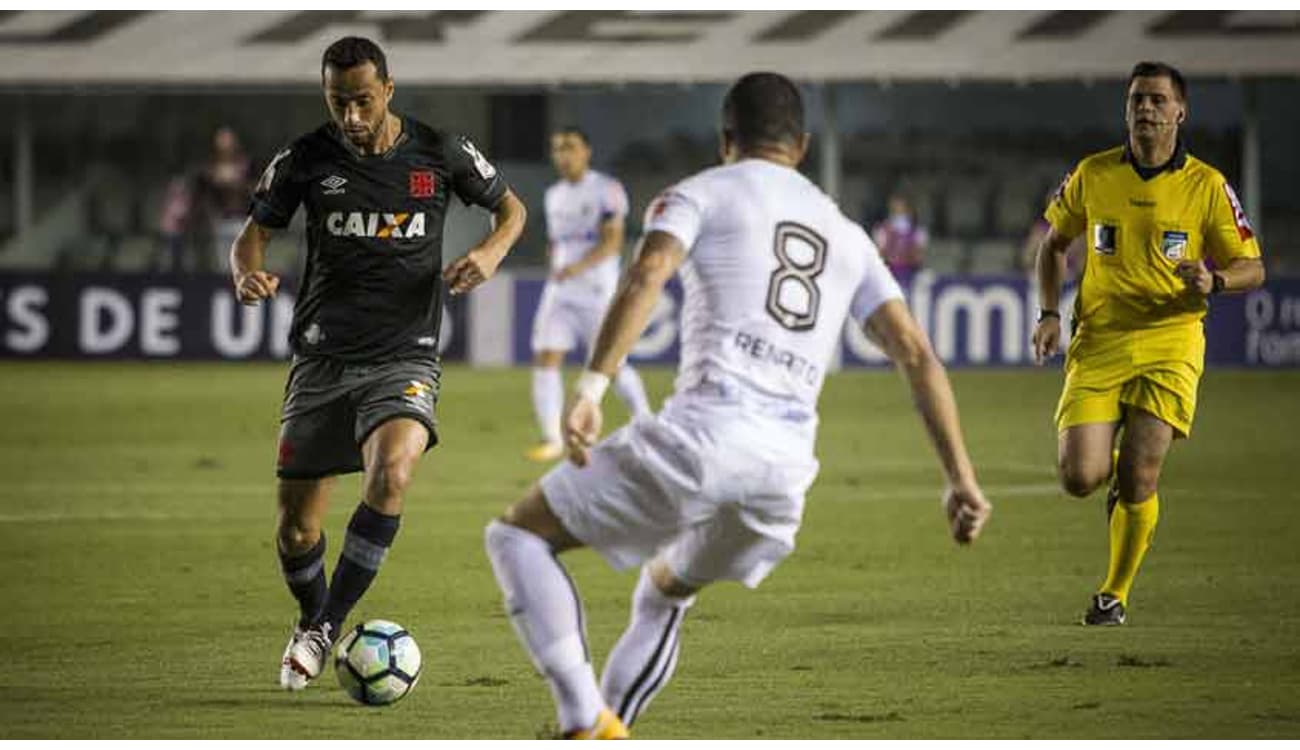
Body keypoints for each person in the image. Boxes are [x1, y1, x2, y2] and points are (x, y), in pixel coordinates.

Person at [484, 72, 991, 739]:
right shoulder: (847, 233)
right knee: (664, 591)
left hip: (703, 438)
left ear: (727, 138)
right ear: (802, 146)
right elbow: (917, 353)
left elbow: (647, 273)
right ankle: (606, 730)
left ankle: (579, 716)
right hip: (783, 477)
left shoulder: (700, 192)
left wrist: (591, 390)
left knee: (517, 536)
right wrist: (961, 479)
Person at [228, 36, 526, 690]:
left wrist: (492, 253)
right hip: (323, 359)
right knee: (295, 530)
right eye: (339, 103)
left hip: (404, 354)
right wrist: (247, 273)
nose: (353, 117)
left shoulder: (440, 152)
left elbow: (511, 208)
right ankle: (313, 615)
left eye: (363, 101)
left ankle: (325, 624)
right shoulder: (306, 159)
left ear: (388, 90)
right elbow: (253, 233)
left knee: (391, 474)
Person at [1031, 61, 1265, 626]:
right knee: (1080, 478)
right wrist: (1047, 313)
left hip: (1172, 340)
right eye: (1137, 99)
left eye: (1158, 100)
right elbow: (1053, 245)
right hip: (1101, 339)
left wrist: (1216, 281)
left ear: (1180, 112)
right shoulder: (1092, 174)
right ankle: (1110, 466)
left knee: (1141, 474)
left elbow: (1252, 267)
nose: (1145, 109)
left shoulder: (1207, 187)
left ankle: (1114, 594)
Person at [526, 126, 651, 462]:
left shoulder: (606, 190)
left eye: (569, 147)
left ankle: (646, 423)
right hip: (560, 289)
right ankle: (552, 439)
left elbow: (612, 241)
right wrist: (558, 264)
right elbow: (558, 241)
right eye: (557, 149)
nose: (562, 155)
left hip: (596, 290)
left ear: (586, 151)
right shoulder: (554, 194)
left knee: (612, 361)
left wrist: (577, 268)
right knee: (545, 356)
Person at [196, 126, 255, 273]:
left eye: (227, 140)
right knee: (224, 265)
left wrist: (236, 182)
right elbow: (205, 196)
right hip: (222, 221)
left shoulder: (244, 165)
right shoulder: (210, 168)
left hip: (242, 220)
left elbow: (256, 190)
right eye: (221, 140)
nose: (224, 144)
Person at [870, 193, 928, 280]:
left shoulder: (918, 231)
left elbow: (919, 256)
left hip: (910, 273)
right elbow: (879, 255)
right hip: (889, 273)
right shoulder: (882, 230)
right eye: (894, 209)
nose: (897, 211)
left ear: (909, 210)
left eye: (901, 208)